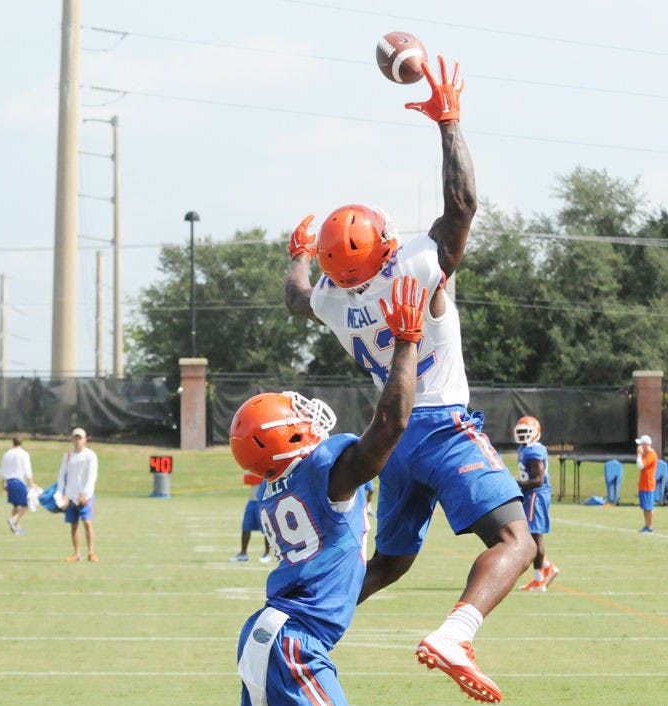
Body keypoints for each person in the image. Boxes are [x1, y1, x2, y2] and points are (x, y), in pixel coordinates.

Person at [283, 56, 533, 703]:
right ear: (386, 243)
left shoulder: (333, 303)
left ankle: (305, 616)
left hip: (388, 438)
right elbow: (464, 204)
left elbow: (297, 295)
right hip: (442, 421)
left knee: (391, 562)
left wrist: (298, 257)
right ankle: (457, 631)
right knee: (517, 540)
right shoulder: (418, 265)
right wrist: (448, 123)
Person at [234, 275, 424, 706]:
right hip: (294, 644)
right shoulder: (322, 471)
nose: (306, 419)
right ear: (285, 438)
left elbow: (364, 569)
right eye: (294, 418)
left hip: (269, 634)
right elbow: (390, 424)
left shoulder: (273, 491)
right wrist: (406, 342)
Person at [514, 416, 560, 591]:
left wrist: (515, 483)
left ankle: (539, 580)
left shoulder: (534, 452)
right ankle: (547, 567)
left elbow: (538, 480)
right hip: (532, 494)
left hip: (536, 494)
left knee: (534, 537)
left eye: (527, 432)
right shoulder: (524, 448)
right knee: (531, 536)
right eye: (521, 432)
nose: (524, 436)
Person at [56, 427, 99, 562]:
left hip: (85, 496)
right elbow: (62, 476)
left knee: (87, 522)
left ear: (85, 439)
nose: (78, 440)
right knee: (73, 525)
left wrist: (85, 494)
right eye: (76, 437)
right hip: (70, 496)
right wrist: (61, 494)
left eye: (80, 438)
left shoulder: (90, 455)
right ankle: (76, 553)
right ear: (72, 439)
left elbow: (92, 476)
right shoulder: (68, 456)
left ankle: (91, 552)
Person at [0, 437, 38, 535]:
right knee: (26, 505)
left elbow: (3, 469)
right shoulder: (24, 454)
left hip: (9, 481)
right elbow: (27, 469)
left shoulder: (7, 454)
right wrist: (31, 483)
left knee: (15, 505)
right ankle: (14, 520)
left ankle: (16, 528)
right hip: (19, 481)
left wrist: (3, 484)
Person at [231, 475, 271, 563]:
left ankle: (266, 554)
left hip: (263, 499)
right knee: (246, 526)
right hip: (252, 499)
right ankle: (243, 554)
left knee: (266, 528)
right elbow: (249, 479)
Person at [636, 434, 657, 533]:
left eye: (641, 444)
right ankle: (646, 525)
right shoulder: (647, 455)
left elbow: (640, 465)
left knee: (649, 507)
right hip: (643, 485)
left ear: (645, 445)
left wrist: (639, 454)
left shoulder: (651, 455)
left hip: (648, 485)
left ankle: (650, 527)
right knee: (645, 507)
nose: (639, 446)